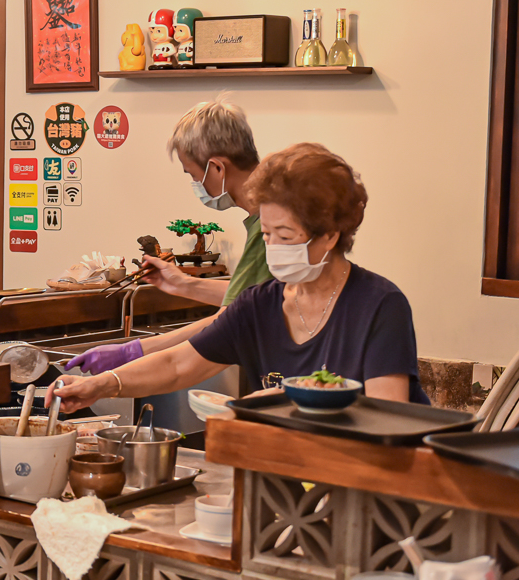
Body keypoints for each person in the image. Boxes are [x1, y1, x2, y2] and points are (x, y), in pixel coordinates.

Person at [50, 143, 428, 416]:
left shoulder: (379, 305)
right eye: (266, 235)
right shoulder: (259, 305)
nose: (273, 247)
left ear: (330, 235)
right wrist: (101, 384)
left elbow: (386, 414)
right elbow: (178, 366)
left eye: (286, 236)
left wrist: (286, 403)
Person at [67, 96, 272, 376]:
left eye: (192, 174)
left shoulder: (270, 225)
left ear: (217, 168)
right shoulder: (265, 216)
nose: (194, 184)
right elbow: (255, 298)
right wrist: (182, 284)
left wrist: (133, 351)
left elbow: (233, 319)